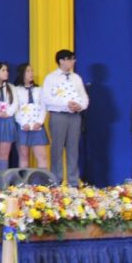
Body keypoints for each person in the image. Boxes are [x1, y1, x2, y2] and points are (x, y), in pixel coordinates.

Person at [43, 49, 89, 186]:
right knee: (57, 149)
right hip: (58, 115)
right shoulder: (51, 78)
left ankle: (73, 181)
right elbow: (47, 98)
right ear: (62, 61)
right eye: (70, 59)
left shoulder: (76, 78)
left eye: (73, 59)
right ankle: (56, 180)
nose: (73, 61)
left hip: (74, 117)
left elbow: (84, 97)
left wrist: (80, 106)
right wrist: (65, 103)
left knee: (73, 149)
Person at [13, 63, 49, 169]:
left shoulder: (39, 90)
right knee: (23, 156)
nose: (31, 73)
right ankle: (24, 179)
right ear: (22, 73)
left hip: (37, 126)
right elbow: (15, 108)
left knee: (42, 156)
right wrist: (23, 123)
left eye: (32, 71)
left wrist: (40, 122)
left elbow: (43, 107)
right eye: (28, 71)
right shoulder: (15, 90)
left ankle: (42, 179)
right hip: (22, 126)